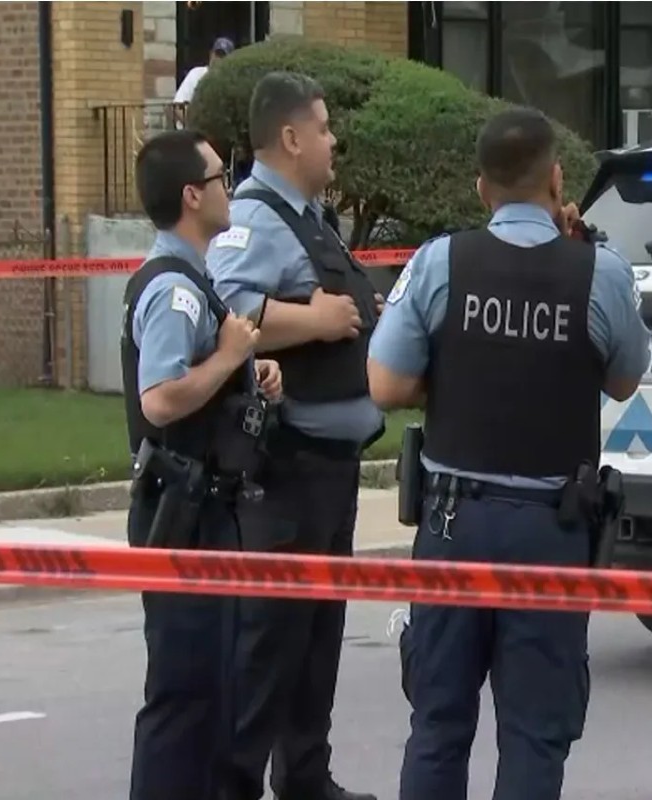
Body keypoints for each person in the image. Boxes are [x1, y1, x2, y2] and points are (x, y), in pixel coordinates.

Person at [367, 106, 651, 800]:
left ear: (480, 189)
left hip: (454, 525)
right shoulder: (599, 273)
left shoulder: (441, 261)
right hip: (550, 531)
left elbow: (385, 383)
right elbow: (623, 375)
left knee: (439, 723)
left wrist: (457, 373)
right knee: (534, 734)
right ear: (556, 180)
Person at [206, 71, 381, 800]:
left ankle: (306, 777)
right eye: (324, 124)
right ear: (290, 137)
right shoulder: (255, 218)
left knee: (317, 638)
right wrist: (316, 321)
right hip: (288, 467)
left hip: (330, 467)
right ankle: (238, 783)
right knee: (272, 639)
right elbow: (228, 305)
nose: (333, 138)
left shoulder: (309, 217)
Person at [122, 129, 284, 800]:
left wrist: (248, 369)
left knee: (214, 692)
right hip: (181, 514)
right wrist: (226, 359)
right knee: (185, 696)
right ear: (193, 196)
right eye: (222, 176)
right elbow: (159, 399)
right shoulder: (176, 291)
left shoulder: (194, 281)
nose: (231, 185)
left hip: (204, 509)